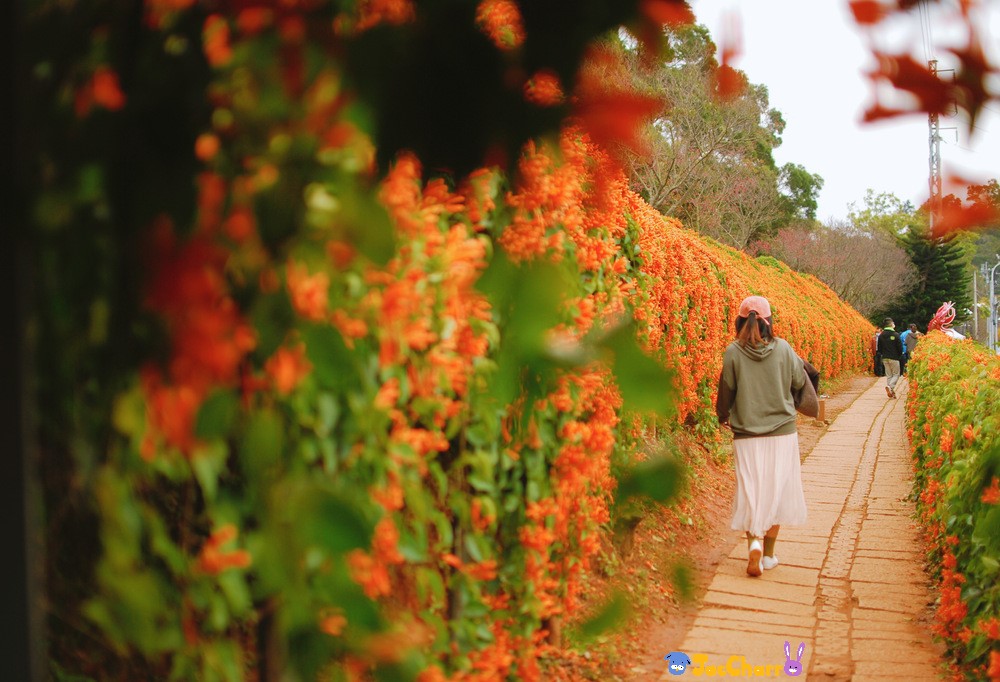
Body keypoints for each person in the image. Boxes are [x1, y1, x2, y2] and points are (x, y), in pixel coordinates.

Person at [716, 295, 810, 577]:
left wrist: (722, 416)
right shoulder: (783, 349)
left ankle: (753, 544)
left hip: (746, 434)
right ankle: (768, 555)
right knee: (777, 493)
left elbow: (726, 392)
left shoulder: (733, 352)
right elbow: (798, 381)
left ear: (740, 320)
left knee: (752, 492)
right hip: (782, 433)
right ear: (769, 321)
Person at [876, 318, 904, 398]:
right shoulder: (895, 334)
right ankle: (890, 387)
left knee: (889, 375)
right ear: (891, 325)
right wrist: (899, 355)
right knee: (896, 374)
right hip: (894, 358)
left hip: (885, 358)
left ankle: (891, 392)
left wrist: (882, 354)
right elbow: (899, 347)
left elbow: (879, 347)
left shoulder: (881, 335)